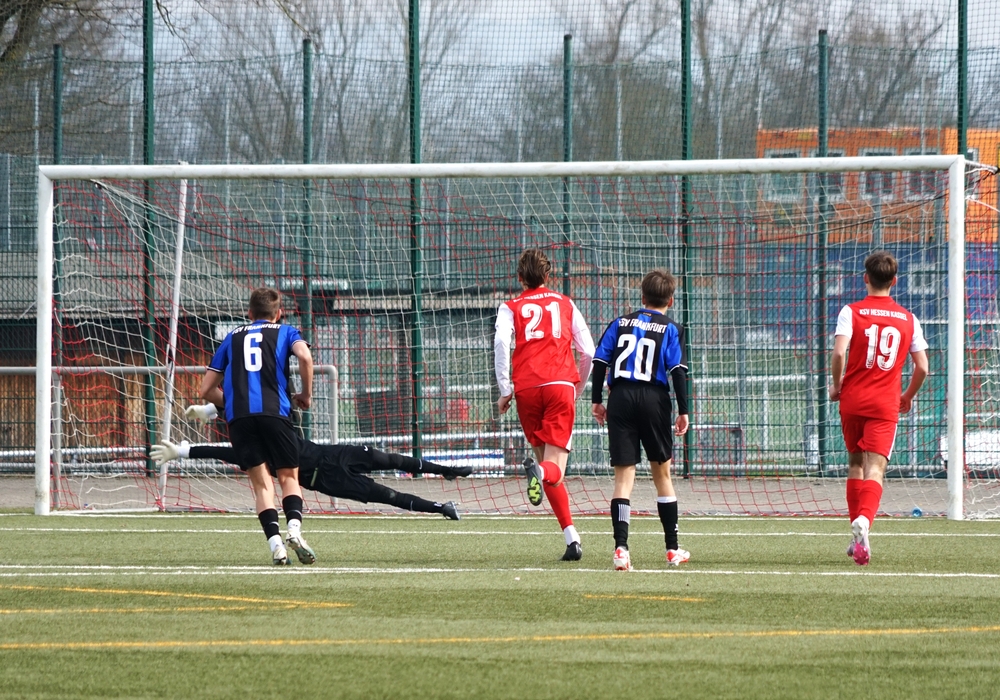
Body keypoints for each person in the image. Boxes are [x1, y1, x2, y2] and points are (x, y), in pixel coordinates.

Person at [152, 406, 471, 520]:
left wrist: (211, 409)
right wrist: (183, 452)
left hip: (335, 453)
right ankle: (441, 507)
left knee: (393, 459)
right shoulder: (253, 453)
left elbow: (243, 407)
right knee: (386, 495)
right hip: (326, 479)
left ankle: (449, 471)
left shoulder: (273, 424)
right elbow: (221, 452)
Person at [200, 287, 315, 566]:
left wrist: (234, 403)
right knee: (288, 478)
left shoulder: (231, 337)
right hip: (275, 414)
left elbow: (206, 390)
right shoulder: (286, 331)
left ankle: (276, 546)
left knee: (262, 486)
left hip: (239, 418)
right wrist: (305, 395)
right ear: (278, 314)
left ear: (249, 313)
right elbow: (305, 357)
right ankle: (295, 532)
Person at [494, 248, 595, 561]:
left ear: (520, 278)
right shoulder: (565, 303)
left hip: (526, 390)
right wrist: (577, 385)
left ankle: (571, 538)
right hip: (559, 387)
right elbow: (589, 351)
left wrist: (504, 389)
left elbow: (500, 342)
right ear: (548, 276)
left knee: (548, 470)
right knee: (553, 469)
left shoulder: (510, 306)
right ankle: (539, 473)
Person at [829, 250, 928, 566]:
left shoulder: (851, 311)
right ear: (895, 281)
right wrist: (908, 396)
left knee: (855, 464)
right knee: (876, 468)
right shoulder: (909, 318)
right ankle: (865, 522)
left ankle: (858, 533)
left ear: (866, 278)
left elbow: (838, 354)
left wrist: (836, 384)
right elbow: (923, 367)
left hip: (853, 400)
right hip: (885, 404)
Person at [591, 270, 690, 571]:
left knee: (623, 479)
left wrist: (596, 400)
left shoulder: (620, 323)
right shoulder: (672, 328)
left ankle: (621, 549)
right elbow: (677, 371)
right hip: (653, 400)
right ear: (670, 300)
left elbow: (599, 362)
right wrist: (684, 409)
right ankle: (672, 549)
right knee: (663, 476)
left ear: (642, 298)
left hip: (620, 398)